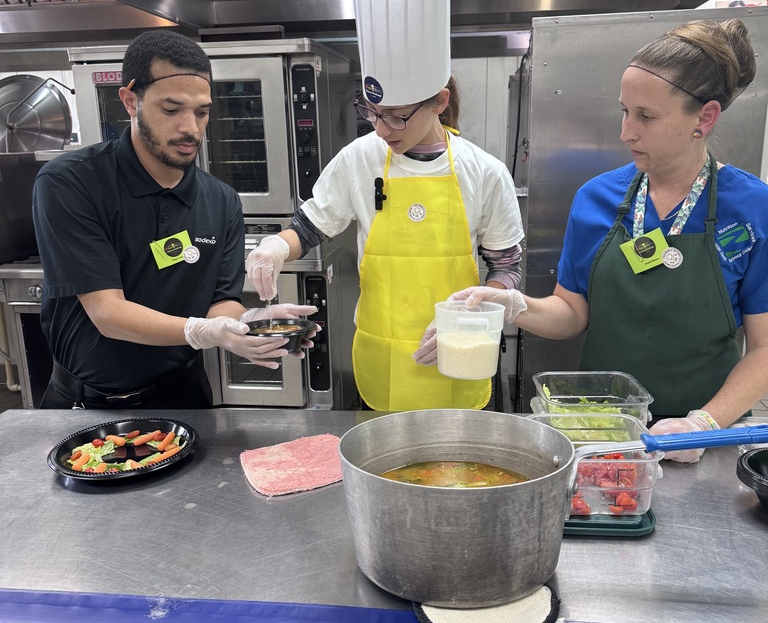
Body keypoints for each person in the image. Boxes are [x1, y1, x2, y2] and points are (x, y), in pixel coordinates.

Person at [436, 18, 768, 462]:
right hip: (605, 433)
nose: (626, 131)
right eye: (624, 111)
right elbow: (572, 312)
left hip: (708, 440)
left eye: (646, 116)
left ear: (705, 118)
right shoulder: (597, 198)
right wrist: (514, 306)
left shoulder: (751, 209)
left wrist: (701, 425)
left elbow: (764, 349)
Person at [32, 29, 316, 410]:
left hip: (183, 395)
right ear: (131, 101)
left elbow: (221, 303)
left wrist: (248, 323)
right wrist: (200, 330)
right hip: (86, 403)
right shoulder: (71, 183)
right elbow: (107, 313)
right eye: (171, 110)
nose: (191, 128)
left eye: (202, 112)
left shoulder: (221, 200)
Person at [246, 75, 524, 411]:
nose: (380, 129)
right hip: (381, 356)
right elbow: (308, 228)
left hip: (459, 357)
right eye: (372, 112)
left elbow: (507, 268)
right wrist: (274, 247)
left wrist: (470, 322)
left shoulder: (484, 172)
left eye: (395, 116)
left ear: (440, 102)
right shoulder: (360, 158)